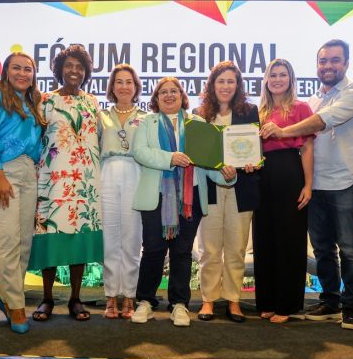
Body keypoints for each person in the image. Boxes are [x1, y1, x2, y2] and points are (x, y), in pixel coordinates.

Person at [260, 39, 353, 330]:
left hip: (346, 180)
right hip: (317, 182)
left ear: (346, 63)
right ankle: (330, 301)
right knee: (322, 248)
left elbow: (320, 123)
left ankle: (351, 306)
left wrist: (282, 132)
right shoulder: (314, 100)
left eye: (335, 60)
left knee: (349, 248)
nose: (328, 66)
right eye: (323, 61)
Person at [130, 77, 237, 327]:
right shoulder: (147, 122)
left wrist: (227, 175)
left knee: (182, 251)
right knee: (153, 249)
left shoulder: (198, 123)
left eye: (174, 91)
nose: (169, 95)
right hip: (156, 196)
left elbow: (208, 162)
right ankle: (145, 301)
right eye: (163, 92)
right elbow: (140, 152)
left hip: (191, 197)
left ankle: (179, 304)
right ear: (156, 99)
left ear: (182, 96)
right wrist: (171, 158)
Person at [0, 52, 45, 334]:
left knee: (24, 242)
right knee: (8, 240)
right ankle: (16, 306)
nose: (22, 73)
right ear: (6, 71)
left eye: (28, 69)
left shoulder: (33, 101)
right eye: (16, 68)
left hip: (27, 172)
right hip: (0, 171)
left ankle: (5, 297)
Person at [30, 44, 102, 322]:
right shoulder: (46, 100)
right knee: (50, 236)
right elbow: (36, 138)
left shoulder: (92, 102)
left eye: (80, 67)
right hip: (53, 179)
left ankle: (75, 298)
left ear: (86, 72)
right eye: (69, 66)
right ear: (59, 70)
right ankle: (47, 299)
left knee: (79, 237)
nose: (74, 71)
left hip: (85, 180)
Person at [194, 61, 260, 323]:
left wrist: (251, 164)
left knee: (236, 247)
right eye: (220, 81)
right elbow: (197, 154)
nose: (225, 86)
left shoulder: (250, 111)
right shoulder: (200, 114)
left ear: (238, 85)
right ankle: (208, 300)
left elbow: (254, 150)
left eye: (231, 81)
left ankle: (233, 300)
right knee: (209, 248)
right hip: (210, 189)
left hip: (241, 189)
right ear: (212, 85)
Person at [252, 59, 314, 324]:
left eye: (283, 75)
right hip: (261, 176)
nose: (277, 79)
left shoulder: (301, 108)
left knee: (290, 239)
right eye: (273, 75)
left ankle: (287, 304)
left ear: (291, 79)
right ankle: (267, 301)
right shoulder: (258, 112)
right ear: (266, 80)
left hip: (290, 173)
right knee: (264, 238)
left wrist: (308, 185)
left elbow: (307, 148)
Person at [99, 64, 147, 319]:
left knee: (131, 237)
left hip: (135, 173)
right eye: (119, 81)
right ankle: (110, 296)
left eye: (129, 82)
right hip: (107, 172)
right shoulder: (100, 116)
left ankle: (129, 295)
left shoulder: (146, 117)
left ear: (136, 87)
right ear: (112, 87)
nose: (124, 86)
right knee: (110, 237)